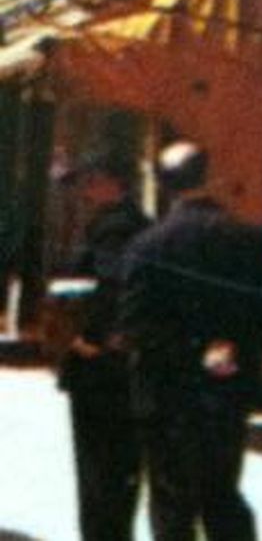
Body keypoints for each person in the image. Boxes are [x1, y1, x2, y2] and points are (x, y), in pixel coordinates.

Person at [119, 140, 262, 541]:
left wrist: (195, 352)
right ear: (210, 177)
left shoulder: (148, 246)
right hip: (229, 388)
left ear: (162, 185)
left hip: (167, 391)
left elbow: (136, 323)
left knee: (171, 499)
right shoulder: (253, 240)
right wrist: (237, 348)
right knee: (222, 491)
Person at [55, 151, 150, 541]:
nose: (85, 191)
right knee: (117, 473)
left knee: (100, 473)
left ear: (115, 183)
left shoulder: (116, 229)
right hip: (121, 368)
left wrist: (87, 339)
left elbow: (110, 290)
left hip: (101, 370)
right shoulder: (131, 224)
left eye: (92, 181)